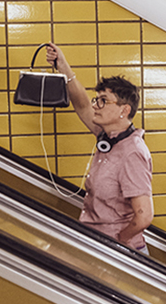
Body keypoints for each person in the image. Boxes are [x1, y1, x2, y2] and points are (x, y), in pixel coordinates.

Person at [45, 43, 153, 254]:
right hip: (95, 241)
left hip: (116, 250)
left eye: (103, 101)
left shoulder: (133, 152)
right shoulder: (109, 137)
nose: (96, 105)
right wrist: (63, 66)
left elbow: (144, 216)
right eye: (97, 100)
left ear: (124, 110)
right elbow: (82, 105)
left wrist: (119, 241)